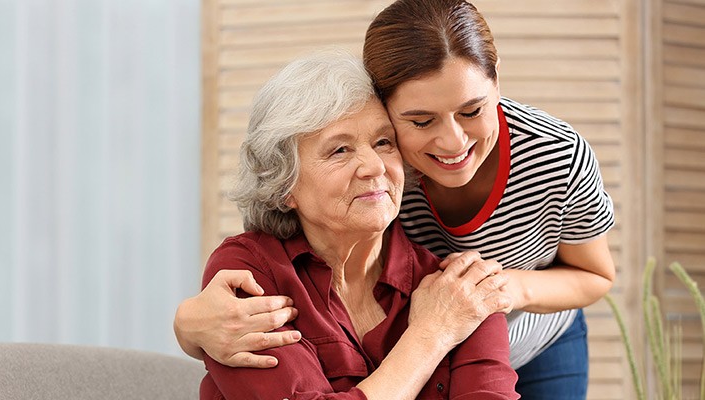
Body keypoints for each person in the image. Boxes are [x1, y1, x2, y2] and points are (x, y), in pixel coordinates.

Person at [175, 1, 616, 399]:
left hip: (518, 322)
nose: (452, 141)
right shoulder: (260, 270)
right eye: (421, 121)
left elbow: (594, 275)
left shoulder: (553, 157)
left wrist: (500, 290)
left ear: (496, 81)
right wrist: (187, 327)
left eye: (471, 110)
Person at [197, 49, 519, 399]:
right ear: (284, 184)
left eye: (384, 142)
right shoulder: (249, 274)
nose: (375, 167)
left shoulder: (460, 289)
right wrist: (432, 333)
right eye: (340, 150)